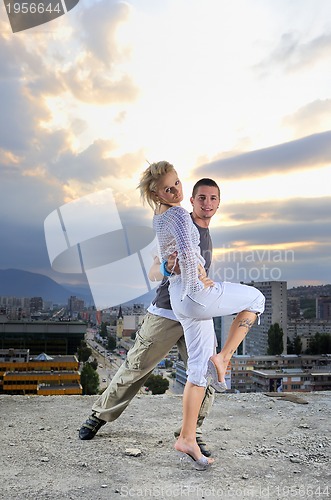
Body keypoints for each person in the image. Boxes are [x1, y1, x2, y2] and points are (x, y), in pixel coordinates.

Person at [79, 177, 221, 458]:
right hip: (167, 312)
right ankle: (99, 415)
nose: (207, 203)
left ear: (218, 203)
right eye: (201, 198)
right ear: (191, 201)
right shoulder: (179, 224)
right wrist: (168, 269)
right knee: (136, 367)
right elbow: (154, 271)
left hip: (196, 314)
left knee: (206, 372)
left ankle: (190, 432)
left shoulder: (206, 233)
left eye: (213, 198)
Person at [138, 161, 265, 470]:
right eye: (170, 188)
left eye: (178, 183)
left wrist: (194, 270)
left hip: (181, 300)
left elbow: (182, 255)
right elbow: (182, 250)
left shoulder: (159, 216)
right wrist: (201, 282)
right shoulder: (181, 215)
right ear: (156, 192)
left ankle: (187, 438)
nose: (177, 190)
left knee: (197, 370)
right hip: (193, 296)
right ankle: (224, 358)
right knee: (257, 298)